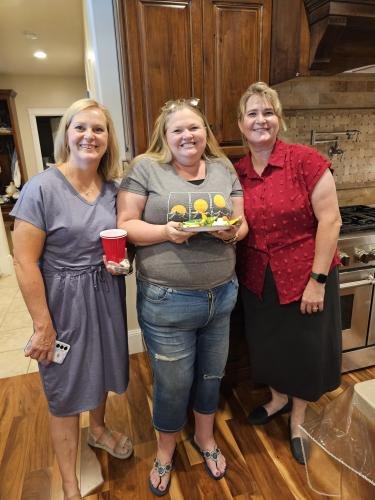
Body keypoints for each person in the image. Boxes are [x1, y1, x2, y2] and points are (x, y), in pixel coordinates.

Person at [117, 98, 248, 496]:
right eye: (178, 130)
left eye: (195, 128)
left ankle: (205, 439)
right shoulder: (145, 168)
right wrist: (166, 233)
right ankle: (164, 450)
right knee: (173, 382)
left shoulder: (224, 168)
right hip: (167, 299)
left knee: (212, 375)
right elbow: (125, 225)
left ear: (205, 132)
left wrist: (229, 232)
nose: (188, 136)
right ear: (165, 136)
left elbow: (241, 224)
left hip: (222, 295)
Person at [11, 98, 133, 500]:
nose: (89, 136)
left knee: (101, 369)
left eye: (98, 129)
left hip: (104, 293)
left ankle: (98, 430)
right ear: (66, 133)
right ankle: (68, 482)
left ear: (108, 139)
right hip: (62, 301)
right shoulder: (40, 188)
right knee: (63, 391)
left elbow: (116, 243)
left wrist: (121, 265)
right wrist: (43, 326)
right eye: (80, 127)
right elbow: (24, 261)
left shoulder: (113, 189)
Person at [234, 82, 342, 464]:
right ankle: (277, 398)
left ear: (279, 119)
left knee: (304, 351)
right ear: (241, 124)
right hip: (257, 277)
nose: (261, 120)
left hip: (304, 274)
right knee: (269, 347)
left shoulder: (306, 161)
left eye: (268, 112)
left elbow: (330, 220)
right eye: (253, 113)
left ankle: (298, 420)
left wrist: (318, 281)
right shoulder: (238, 172)